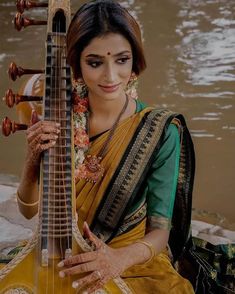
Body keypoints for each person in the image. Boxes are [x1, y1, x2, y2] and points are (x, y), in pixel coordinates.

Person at [16, 0, 195, 293]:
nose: (111, 77)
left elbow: (160, 232)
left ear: (134, 61)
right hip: (62, 254)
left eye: (121, 59)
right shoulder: (58, 116)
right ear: (75, 63)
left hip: (131, 261)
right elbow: (27, 212)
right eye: (95, 62)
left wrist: (117, 259)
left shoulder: (160, 131)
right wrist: (32, 159)